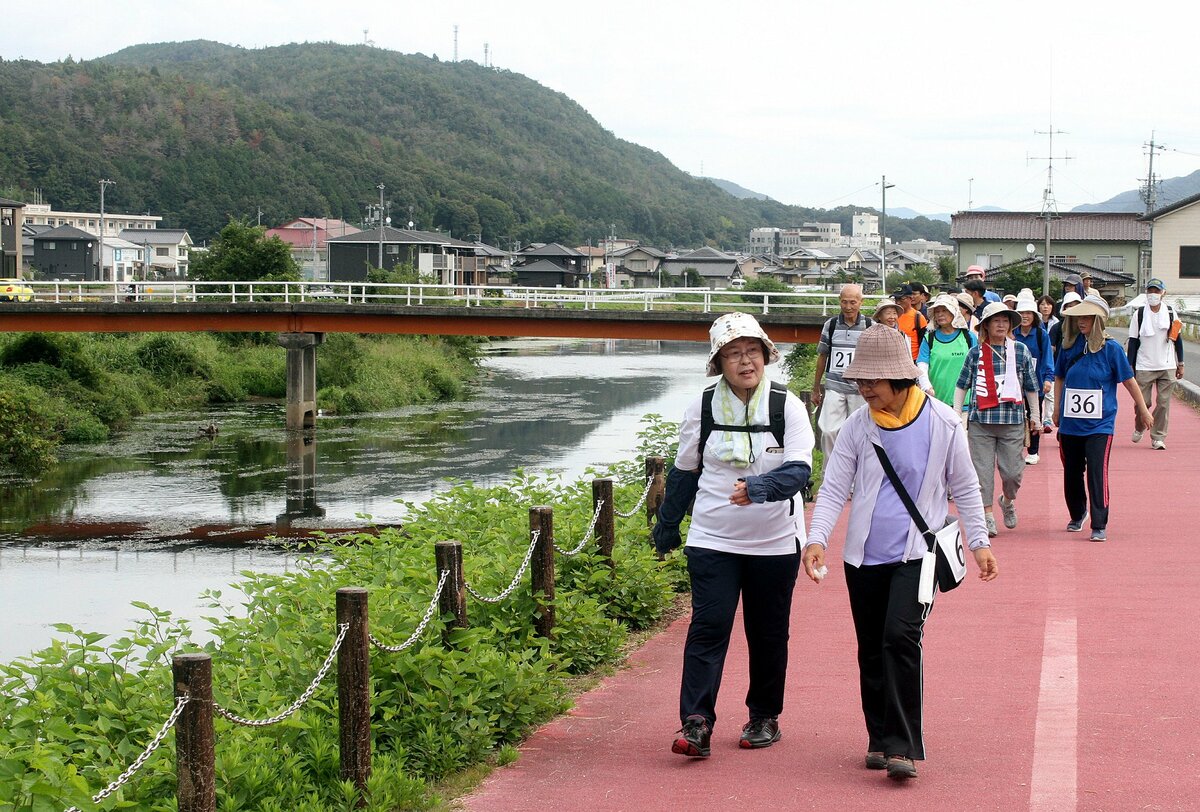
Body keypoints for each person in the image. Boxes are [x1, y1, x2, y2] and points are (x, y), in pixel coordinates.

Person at [801, 324, 997, 782]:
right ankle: (878, 738)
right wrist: (817, 538)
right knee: (871, 648)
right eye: (860, 382)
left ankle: (903, 745)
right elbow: (833, 488)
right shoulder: (857, 425)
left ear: (899, 378)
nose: (864, 389)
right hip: (863, 558)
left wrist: (980, 542)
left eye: (872, 382)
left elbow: (965, 486)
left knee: (899, 639)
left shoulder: (943, 422)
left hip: (917, 555)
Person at [652, 312, 814, 757]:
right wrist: (667, 525)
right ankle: (696, 722)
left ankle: (764, 716)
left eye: (752, 352)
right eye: (733, 354)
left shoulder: (787, 405)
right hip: (712, 538)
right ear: (718, 362)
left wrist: (760, 488)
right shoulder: (702, 405)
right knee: (709, 626)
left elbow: (800, 471)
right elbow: (685, 471)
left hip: (775, 542)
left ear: (766, 355)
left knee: (767, 632)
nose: (745, 362)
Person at [1053, 296, 1154, 541]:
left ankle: (1099, 523)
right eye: (1079, 318)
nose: (1082, 322)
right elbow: (1059, 378)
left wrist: (1143, 410)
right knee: (1072, 471)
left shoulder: (1112, 349)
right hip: (1070, 423)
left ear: (1098, 320)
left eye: (1087, 317)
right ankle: (1078, 513)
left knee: (1097, 472)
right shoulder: (1069, 347)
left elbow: (1129, 382)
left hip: (1100, 424)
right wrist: (1056, 409)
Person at [954, 302, 1041, 537]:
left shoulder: (1020, 350)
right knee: (982, 473)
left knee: (1013, 473)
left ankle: (1007, 500)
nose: (1001, 325)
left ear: (1010, 325)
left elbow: (1032, 387)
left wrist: (1036, 416)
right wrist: (956, 416)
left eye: (1005, 321)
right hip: (981, 421)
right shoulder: (976, 353)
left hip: (1012, 421)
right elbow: (962, 385)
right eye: (996, 321)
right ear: (986, 326)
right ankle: (988, 515)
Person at [813, 284, 873, 460]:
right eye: (844, 302)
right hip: (834, 385)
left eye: (853, 302)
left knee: (860, 433)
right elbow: (822, 356)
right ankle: (830, 474)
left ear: (860, 302)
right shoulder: (830, 325)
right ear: (839, 302)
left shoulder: (870, 325)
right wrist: (816, 388)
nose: (848, 307)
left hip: (859, 388)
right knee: (828, 430)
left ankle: (856, 476)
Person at [1126, 278, 1184, 450]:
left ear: (1163, 293)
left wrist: (1180, 362)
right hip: (1144, 365)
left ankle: (1158, 437)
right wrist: (1130, 365)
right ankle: (1139, 426)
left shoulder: (1171, 312)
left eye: (1156, 291)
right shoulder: (1140, 314)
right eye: (1150, 291)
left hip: (1167, 365)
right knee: (1143, 403)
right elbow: (1133, 341)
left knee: (1164, 403)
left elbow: (1177, 339)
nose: (1153, 295)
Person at [1012, 293, 1053, 464]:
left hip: (1035, 383)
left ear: (1034, 315)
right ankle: (1013, 451)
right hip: (1013, 383)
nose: (1025, 316)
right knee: (1015, 416)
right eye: (1021, 313)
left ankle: (1033, 450)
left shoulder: (1040, 335)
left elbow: (1047, 358)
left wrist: (1048, 379)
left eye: (1028, 313)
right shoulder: (1012, 333)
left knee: (1034, 414)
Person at [917, 293, 977, 406]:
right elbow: (922, 365)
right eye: (937, 311)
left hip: (965, 405)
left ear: (954, 312)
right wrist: (926, 386)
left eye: (944, 310)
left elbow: (978, 366)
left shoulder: (968, 337)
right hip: (938, 403)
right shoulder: (929, 338)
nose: (940, 314)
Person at [893, 285, 928, 360]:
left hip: (912, 360)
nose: (898, 302)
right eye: (896, 299)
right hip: (894, 360)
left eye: (901, 299)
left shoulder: (918, 317)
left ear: (911, 298)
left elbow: (923, 343)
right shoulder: (891, 316)